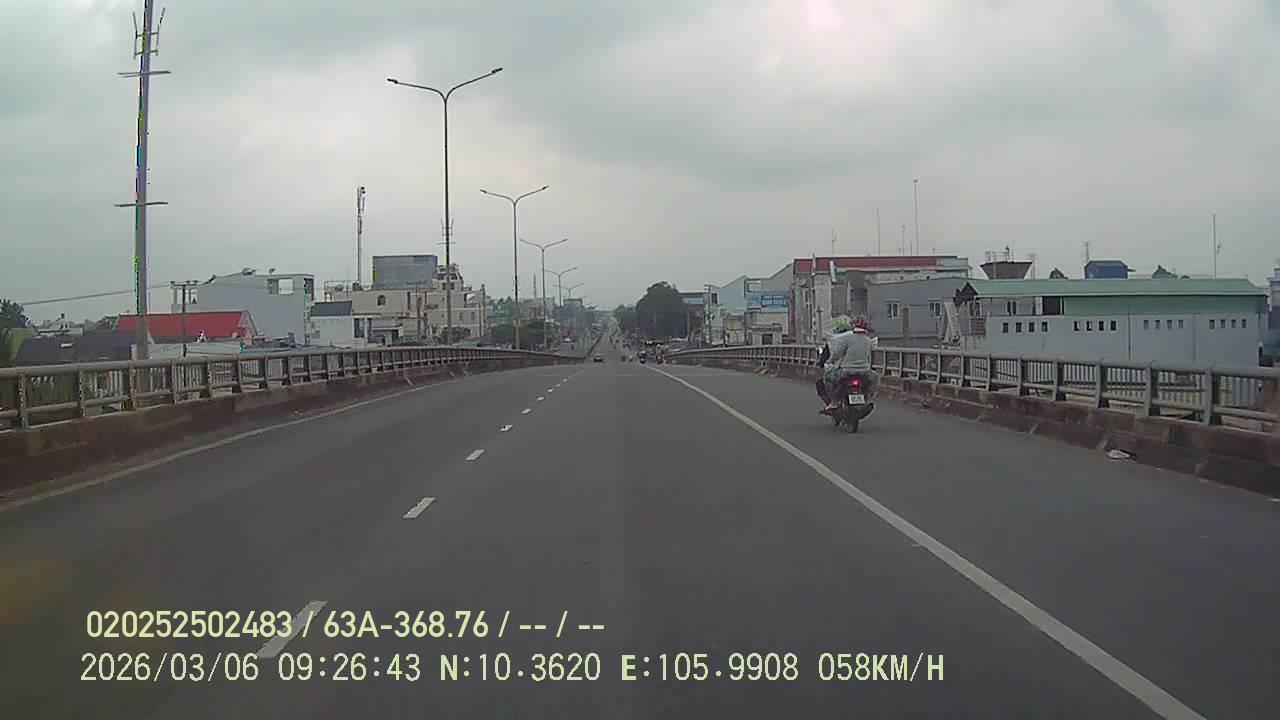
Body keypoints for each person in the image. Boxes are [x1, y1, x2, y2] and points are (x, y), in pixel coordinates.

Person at [815, 315, 877, 412]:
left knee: (827, 377)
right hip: (865, 371)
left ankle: (834, 402)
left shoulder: (845, 338)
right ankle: (867, 399)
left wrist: (831, 360)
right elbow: (870, 357)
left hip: (847, 371)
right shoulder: (868, 340)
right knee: (873, 380)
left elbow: (837, 353)